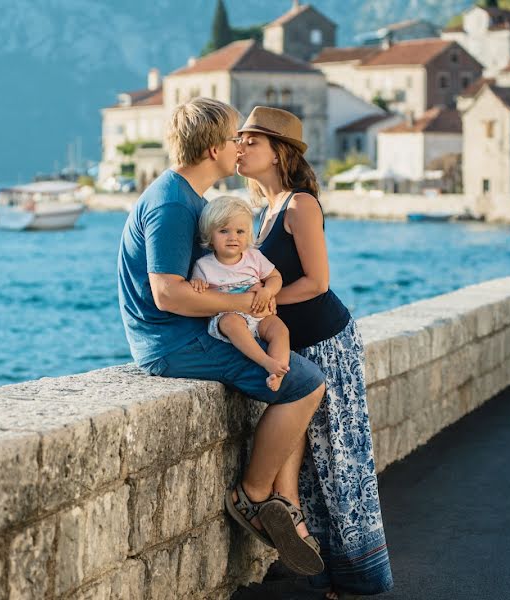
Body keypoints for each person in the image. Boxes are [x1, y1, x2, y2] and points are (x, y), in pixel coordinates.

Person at [117, 97, 326, 576]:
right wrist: (245, 304)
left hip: (191, 333)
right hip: (173, 344)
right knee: (305, 383)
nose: (240, 146)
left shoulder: (190, 199)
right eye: (235, 137)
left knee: (296, 376)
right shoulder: (172, 205)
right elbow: (168, 294)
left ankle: (282, 498)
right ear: (215, 149)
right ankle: (252, 497)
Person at [236, 106, 394, 598]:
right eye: (238, 139)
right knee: (308, 462)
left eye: (251, 141)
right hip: (298, 344)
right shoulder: (264, 211)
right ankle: (320, 568)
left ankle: (357, 575)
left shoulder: (300, 205)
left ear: (279, 152)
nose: (239, 147)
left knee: (338, 455)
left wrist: (260, 300)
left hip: (328, 342)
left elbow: (318, 283)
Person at [189, 196, 290, 391]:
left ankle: (277, 371)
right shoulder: (203, 266)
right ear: (210, 236)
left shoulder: (254, 257)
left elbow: (276, 278)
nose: (232, 237)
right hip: (228, 315)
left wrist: (268, 291)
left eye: (240, 231)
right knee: (231, 322)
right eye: (224, 231)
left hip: (258, 315)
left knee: (280, 329)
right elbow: (198, 295)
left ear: (248, 235)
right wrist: (197, 283)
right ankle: (265, 361)